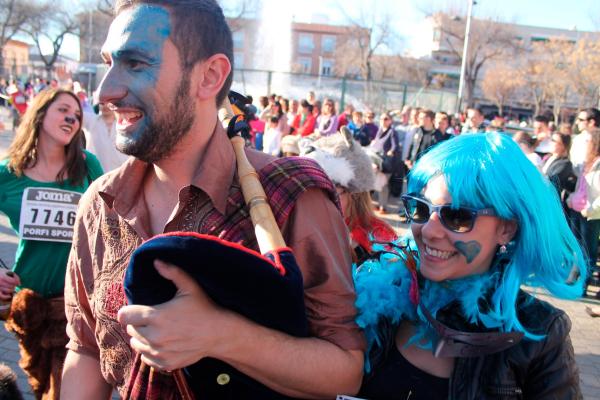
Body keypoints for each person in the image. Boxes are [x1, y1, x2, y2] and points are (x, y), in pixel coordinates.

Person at [61, 1, 364, 399]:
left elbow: (345, 372)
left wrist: (221, 335)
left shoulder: (292, 194)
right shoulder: (100, 205)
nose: (107, 91)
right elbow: (84, 349)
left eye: (135, 64)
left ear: (210, 76)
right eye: (109, 63)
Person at [355, 132, 585, 399]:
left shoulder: (541, 333)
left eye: (457, 216)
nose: (428, 231)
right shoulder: (378, 296)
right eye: (419, 208)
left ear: (506, 229)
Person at [0, 88, 103, 400]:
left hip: (75, 303)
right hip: (29, 304)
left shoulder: (87, 166)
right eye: (63, 110)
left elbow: (112, 220)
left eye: (76, 114)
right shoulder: (9, 173)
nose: (72, 117)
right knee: (41, 384)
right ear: (40, 114)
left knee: (63, 388)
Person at [300, 127, 396, 265]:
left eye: (329, 193)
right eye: (312, 191)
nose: (319, 201)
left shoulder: (379, 237)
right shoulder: (305, 227)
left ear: (355, 195)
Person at [567, 128, 600, 297]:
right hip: (576, 208)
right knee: (576, 246)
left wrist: (591, 209)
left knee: (588, 250)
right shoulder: (585, 163)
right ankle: (573, 278)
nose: (585, 143)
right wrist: (571, 199)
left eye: (588, 141)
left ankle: (584, 284)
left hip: (591, 214)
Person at [82, 102, 129, 172]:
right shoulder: (91, 120)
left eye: (109, 103)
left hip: (122, 175)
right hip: (96, 176)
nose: (105, 106)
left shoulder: (126, 124)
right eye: (102, 103)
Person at [369, 112, 400, 214]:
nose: (383, 120)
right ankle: (380, 205)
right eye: (382, 118)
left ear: (390, 121)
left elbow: (395, 146)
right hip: (377, 160)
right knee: (378, 184)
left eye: (386, 119)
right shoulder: (380, 130)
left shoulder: (392, 131)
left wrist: (391, 151)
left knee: (383, 185)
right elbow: (376, 143)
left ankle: (383, 207)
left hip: (387, 163)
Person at [542, 133, 576, 212]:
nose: (550, 142)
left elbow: (551, 180)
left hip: (550, 203)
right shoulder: (548, 158)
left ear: (563, 146)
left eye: (554, 141)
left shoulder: (565, 163)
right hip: (542, 199)